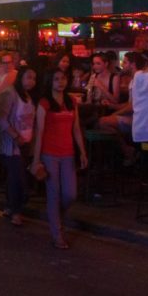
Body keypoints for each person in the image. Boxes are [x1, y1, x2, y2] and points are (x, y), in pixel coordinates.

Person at [31, 68, 88, 249]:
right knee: (54, 193)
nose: (60, 82)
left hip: (68, 153)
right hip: (49, 154)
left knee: (70, 194)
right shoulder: (44, 103)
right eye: (56, 79)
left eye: (63, 79)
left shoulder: (71, 102)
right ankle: (57, 233)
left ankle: (56, 217)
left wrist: (82, 151)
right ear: (50, 81)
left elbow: (76, 128)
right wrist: (36, 159)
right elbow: (39, 132)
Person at [0, 66, 39, 227]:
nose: (31, 81)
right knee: (18, 177)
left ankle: (11, 207)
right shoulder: (9, 93)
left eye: (34, 78)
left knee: (16, 176)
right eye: (28, 77)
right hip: (11, 144)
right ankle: (16, 211)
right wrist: (15, 136)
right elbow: (1, 118)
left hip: (25, 142)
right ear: (20, 77)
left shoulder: (28, 96)